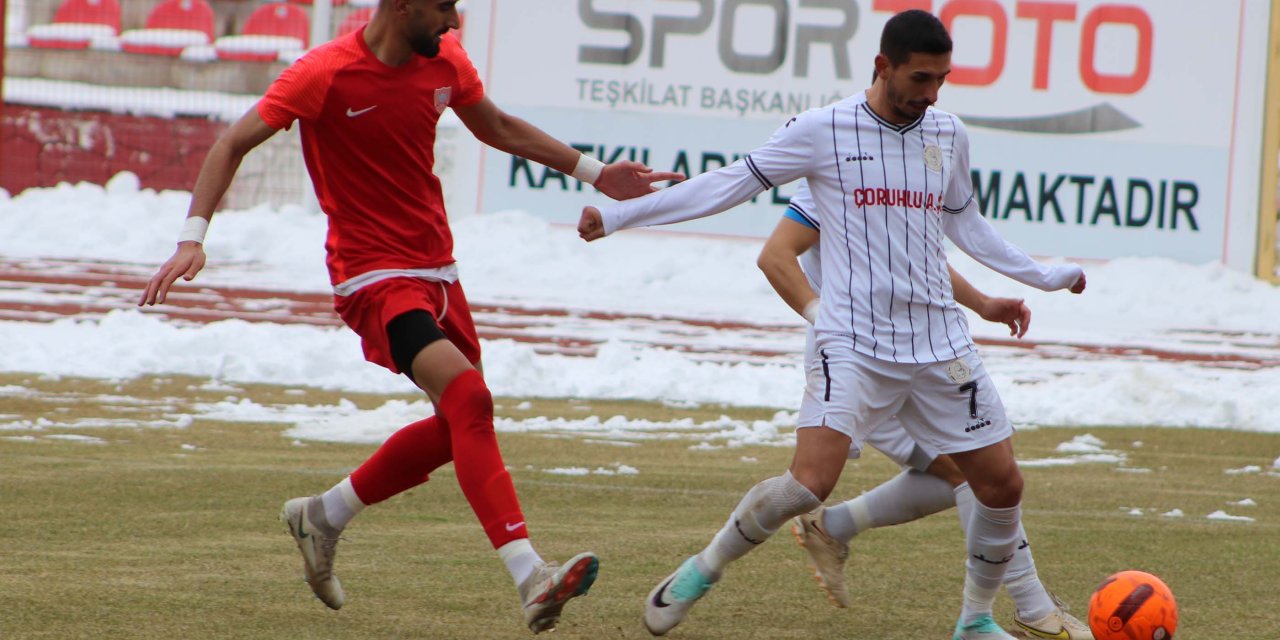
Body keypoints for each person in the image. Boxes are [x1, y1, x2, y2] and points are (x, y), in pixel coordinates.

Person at [138, 0, 680, 633]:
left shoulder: (443, 58)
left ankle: (324, 515)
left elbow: (496, 126)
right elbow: (232, 142)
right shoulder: (323, 73)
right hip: (372, 276)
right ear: (401, 5)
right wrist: (192, 237)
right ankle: (531, 576)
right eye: (443, 7)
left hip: (438, 271)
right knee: (470, 397)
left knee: (458, 425)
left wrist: (593, 172)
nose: (452, 21)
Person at [576, 10, 1085, 639]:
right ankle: (702, 569)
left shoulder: (947, 133)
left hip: (939, 343)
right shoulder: (824, 131)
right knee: (808, 485)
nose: (930, 95)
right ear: (882, 66)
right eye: (919, 79)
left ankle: (975, 621)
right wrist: (621, 216)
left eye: (941, 80)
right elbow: (730, 185)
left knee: (1001, 483)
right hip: (854, 343)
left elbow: (960, 225)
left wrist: (1039, 276)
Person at [761, 186, 1091, 639]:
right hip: (863, 365)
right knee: (975, 473)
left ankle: (831, 526)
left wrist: (982, 303)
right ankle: (1031, 608)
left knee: (971, 471)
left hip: (916, 355)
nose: (926, 111)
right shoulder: (839, 161)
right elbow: (777, 254)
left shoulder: (903, 162)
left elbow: (920, 265)